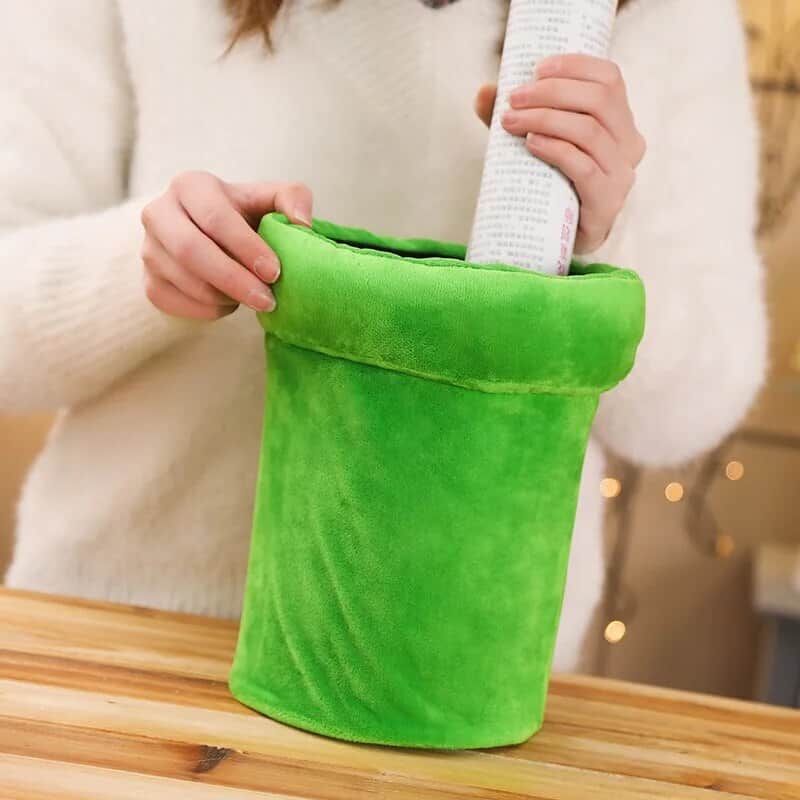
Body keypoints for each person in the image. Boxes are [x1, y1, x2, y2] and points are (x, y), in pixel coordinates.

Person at [0, 0, 766, 672]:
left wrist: (605, 241)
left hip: (454, 677)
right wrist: (141, 262)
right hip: (124, 638)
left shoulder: (667, 15)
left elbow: (695, 407)